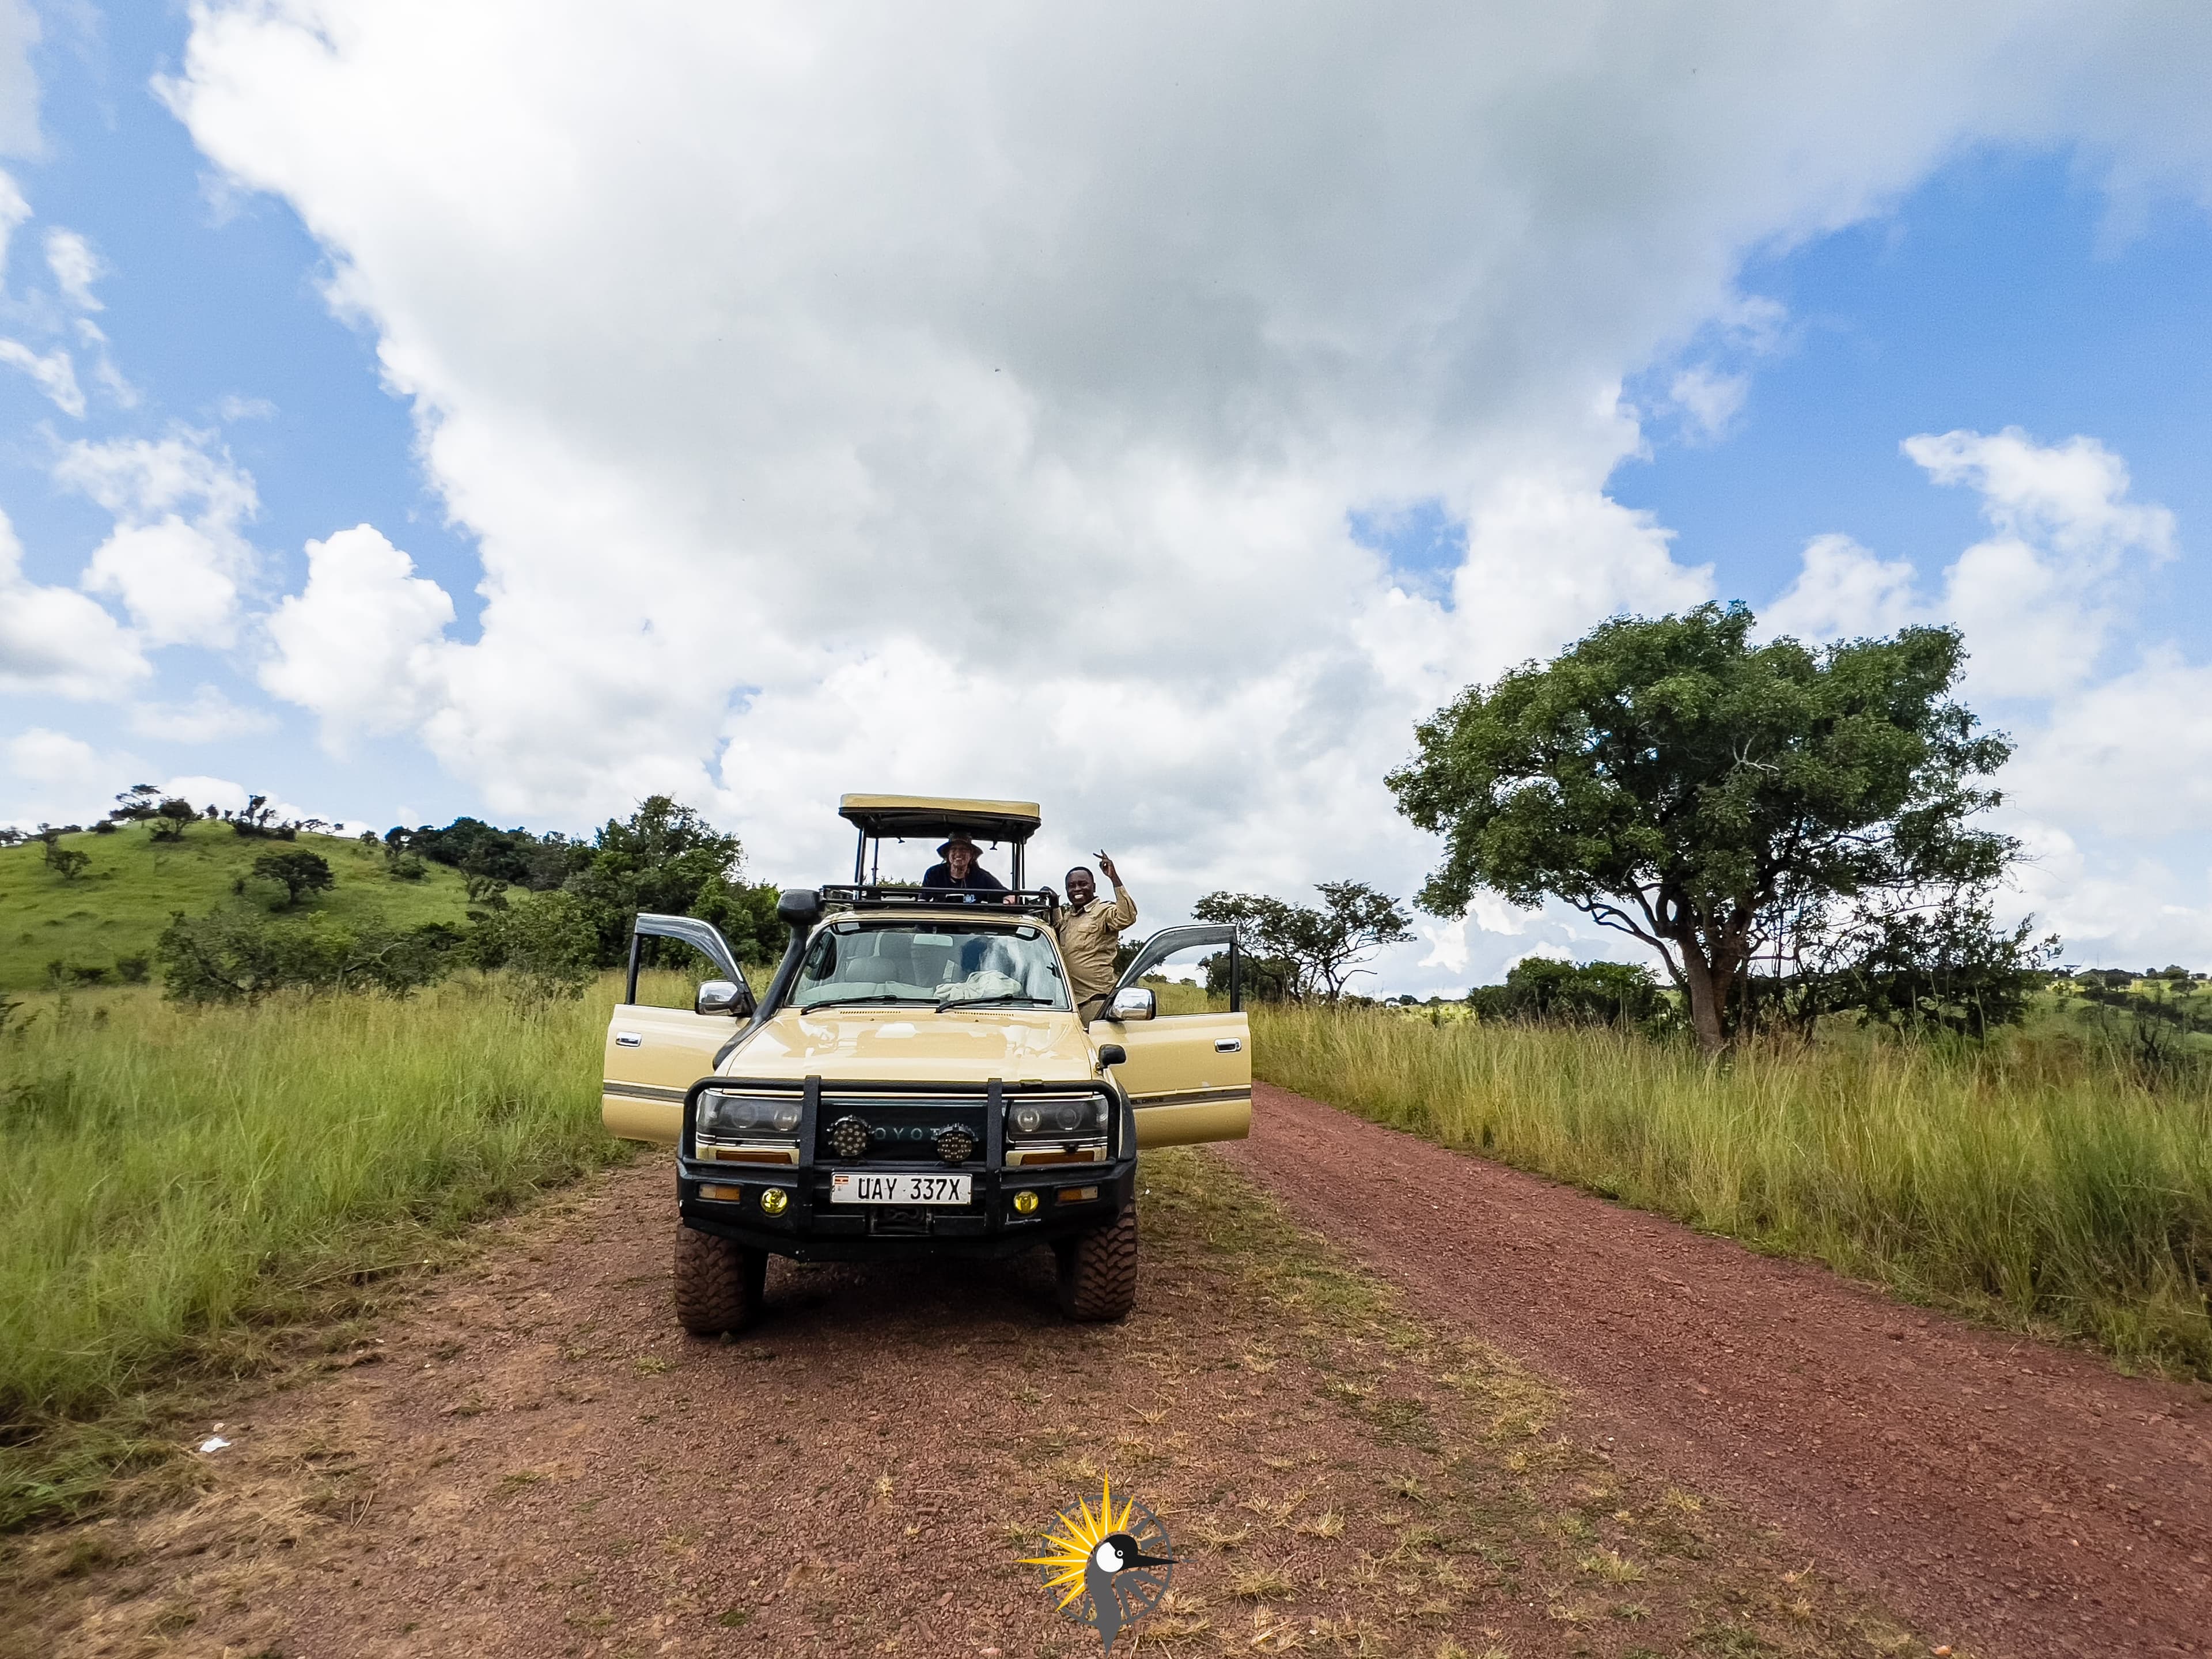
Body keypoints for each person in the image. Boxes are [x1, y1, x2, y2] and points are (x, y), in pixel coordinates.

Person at [1053, 854, 1137, 1024]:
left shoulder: (1103, 911)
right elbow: (1055, 931)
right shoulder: (1069, 918)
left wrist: (1114, 877)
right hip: (1069, 1003)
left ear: (1094, 887)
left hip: (1096, 1001)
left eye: (1083, 884)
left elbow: (1127, 917)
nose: (1077, 889)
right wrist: (1054, 904)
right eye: (1071, 886)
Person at [920, 832, 1011, 902]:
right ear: (947, 855)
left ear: (972, 855)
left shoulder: (981, 877)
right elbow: (922, 901)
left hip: (971, 925)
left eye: (964, 849)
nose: (959, 853)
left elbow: (1007, 895)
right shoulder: (934, 873)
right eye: (954, 849)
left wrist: (1009, 900)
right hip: (938, 923)